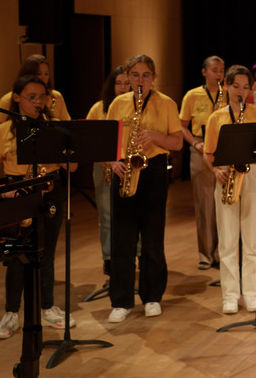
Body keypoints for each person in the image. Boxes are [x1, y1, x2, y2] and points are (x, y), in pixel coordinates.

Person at [0, 75, 76, 339]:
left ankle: (47, 306)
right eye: (31, 97)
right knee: (16, 256)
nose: (37, 101)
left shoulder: (55, 128)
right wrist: (6, 190)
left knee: (47, 252)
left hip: (50, 191)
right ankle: (12, 313)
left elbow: (75, 166)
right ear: (17, 98)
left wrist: (60, 150)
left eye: (41, 97)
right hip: (19, 195)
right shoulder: (3, 131)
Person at [105, 55, 183, 323]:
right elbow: (105, 142)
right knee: (122, 239)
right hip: (124, 169)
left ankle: (152, 297)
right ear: (128, 77)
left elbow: (177, 143)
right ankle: (121, 300)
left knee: (152, 236)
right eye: (135, 76)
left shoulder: (167, 103)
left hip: (155, 170)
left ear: (154, 77)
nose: (140, 81)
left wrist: (155, 136)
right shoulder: (118, 103)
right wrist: (112, 161)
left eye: (145, 75)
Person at [203, 65, 256, 314]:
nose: (241, 91)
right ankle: (230, 295)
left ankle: (251, 293)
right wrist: (215, 171)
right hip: (226, 177)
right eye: (236, 86)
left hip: (252, 175)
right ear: (226, 86)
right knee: (228, 241)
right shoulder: (216, 117)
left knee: (252, 242)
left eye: (246, 87)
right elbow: (208, 152)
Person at [179, 56, 225, 270]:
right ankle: (206, 254)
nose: (219, 74)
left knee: (225, 203)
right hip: (200, 150)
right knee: (204, 204)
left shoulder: (229, 93)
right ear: (204, 72)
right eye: (215, 70)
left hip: (225, 152)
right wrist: (195, 143)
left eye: (222, 70)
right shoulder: (192, 95)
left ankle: (223, 252)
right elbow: (182, 126)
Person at [86, 65, 131, 276]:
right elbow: (89, 137)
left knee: (132, 213)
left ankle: (135, 254)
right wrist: (105, 160)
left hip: (130, 163)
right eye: (118, 83)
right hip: (104, 165)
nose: (123, 88)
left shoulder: (135, 106)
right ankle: (109, 258)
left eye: (127, 83)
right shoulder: (98, 108)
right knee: (106, 215)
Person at [0, 54, 71, 139]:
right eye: (38, 73)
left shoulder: (56, 96)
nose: (43, 78)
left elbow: (69, 128)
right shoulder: (8, 99)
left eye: (46, 74)